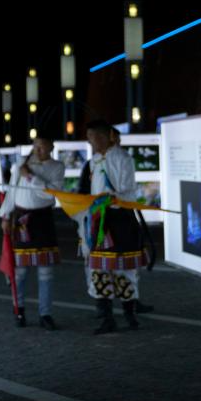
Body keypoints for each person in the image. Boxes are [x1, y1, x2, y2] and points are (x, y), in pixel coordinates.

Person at [82, 120, 147, 334]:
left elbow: (127, 189)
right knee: (99, 268)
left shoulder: (122, 158)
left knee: (124, 267)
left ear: (102, 137)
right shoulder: (94, 161)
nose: (90, 141)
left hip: (120, 219)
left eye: (92, 137)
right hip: (100, 220)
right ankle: (106, 317)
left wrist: (111, 198)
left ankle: (130, 314)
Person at [0, 137, 65, 330]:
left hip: (43, 220)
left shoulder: (57, 167)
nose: (38, 150)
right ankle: (18, 310)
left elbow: (51, 192)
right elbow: (12, 191)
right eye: (36, 146)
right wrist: (5, 216)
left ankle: (45, 314)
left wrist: (29, 176)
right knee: (19, 272)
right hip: (21, 220)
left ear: (51, 147)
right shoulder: (22, 163)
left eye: (43, 146)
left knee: (46, 272)